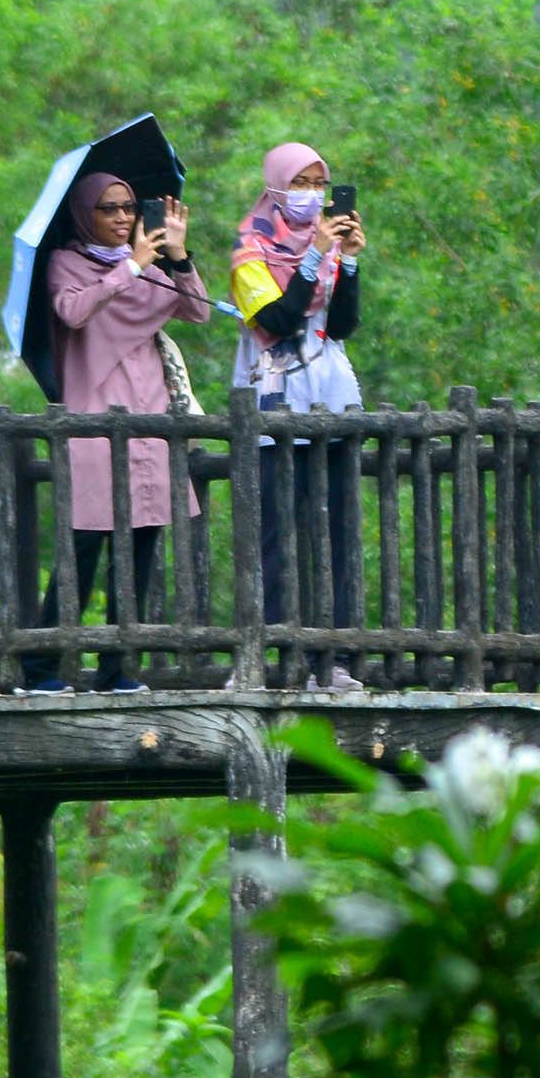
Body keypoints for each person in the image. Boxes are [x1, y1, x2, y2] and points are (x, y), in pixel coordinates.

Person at [39, 169, 213, 692]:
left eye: (128, 208)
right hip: (93, 423)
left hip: (150, 421)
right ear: (84, 215)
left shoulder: (155, 265)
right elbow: (72, 311)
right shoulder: (66, 263)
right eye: (108, 209)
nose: (121, 218)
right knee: (82, 551)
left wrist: (176, 258)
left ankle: (118, 670)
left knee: (139, 552)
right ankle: (41, 669)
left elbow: (200, 311)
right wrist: (130, 268)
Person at [223, 140, 369, 691]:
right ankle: (271, 657)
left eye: (318, 183)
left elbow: (344, 325)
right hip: (273, 397)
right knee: (273, 533)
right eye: (300, 183)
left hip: (328, 395)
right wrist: (313, 259)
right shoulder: (250, 252)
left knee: (333, 531)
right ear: (276, 186)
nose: (312, 195)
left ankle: (333, 660)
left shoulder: (327, 246)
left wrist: (348, 259)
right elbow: (279, 320)